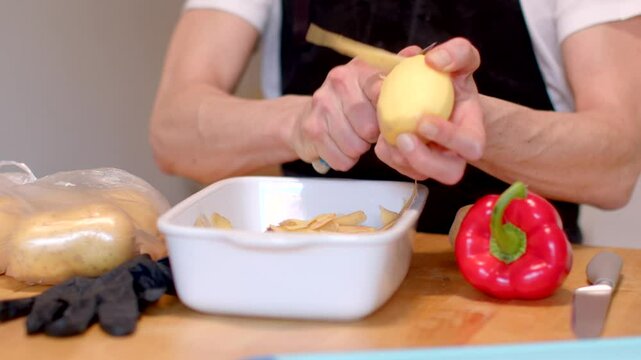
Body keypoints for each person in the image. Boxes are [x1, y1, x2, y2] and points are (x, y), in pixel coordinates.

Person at [149, 0, 641, 243]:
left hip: (509, 289)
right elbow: (172, 131)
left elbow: (616, 162)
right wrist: (301, 122)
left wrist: (479, 124)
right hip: (312, 287)